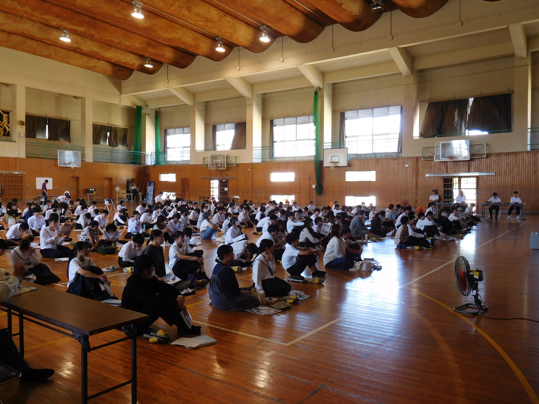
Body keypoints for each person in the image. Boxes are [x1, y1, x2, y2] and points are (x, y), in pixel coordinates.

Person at [0, 239, 55, 381]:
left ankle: (18, 368)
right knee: (3, 337)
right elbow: (2, 294)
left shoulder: (31, 251)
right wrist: (15, 276)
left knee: (3, 337)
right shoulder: (15, 253)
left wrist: (12, 274)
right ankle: (25, 373)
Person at [122, 255, 201, 335]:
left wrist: (179, 296)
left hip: (141, 312)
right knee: (158, 303)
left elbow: (166, 287)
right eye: (152, 267)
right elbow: (153, 300)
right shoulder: (135, 285)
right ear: (145, 270)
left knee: (166, 295)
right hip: (133, 324)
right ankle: (183, 326)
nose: (154, 269)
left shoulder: (148, 278)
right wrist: (176, 304)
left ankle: (184, 325)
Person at [208, 245, 260, 311]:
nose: (233, 254)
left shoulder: (217, 266)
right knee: (254, 300)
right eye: (232, 252)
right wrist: (246, 293)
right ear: (226, 256)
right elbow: (235, 291)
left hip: (214, 298)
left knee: (247, 289)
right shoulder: (227, 270)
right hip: (223, 301)